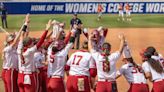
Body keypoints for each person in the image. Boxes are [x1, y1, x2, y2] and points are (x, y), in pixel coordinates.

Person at [17, 18, 51, 92]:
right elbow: (41, 41)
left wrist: (26, 23)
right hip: (28, 77)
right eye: (32, 42)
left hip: (20, 76)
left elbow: (22, 35)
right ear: (29, 44)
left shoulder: (19, 48)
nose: (33, 43)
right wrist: (46, 29)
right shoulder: (30, 51)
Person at [1, 14, 30, 92]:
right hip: (10, 71)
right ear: (10, 42)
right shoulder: (8, 49)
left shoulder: (13, 48)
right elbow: (17, 40)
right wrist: (23, 26)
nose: (15, 40)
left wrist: (26, 24)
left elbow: (24, 37)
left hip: (13, 71)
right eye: (13, 39)